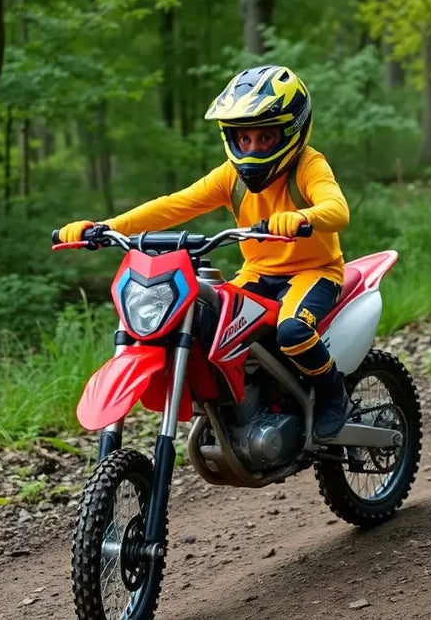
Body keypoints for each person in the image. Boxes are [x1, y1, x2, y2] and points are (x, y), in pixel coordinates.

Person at [57, 65, 351, 440]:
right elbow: (173, 205)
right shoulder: (231, 176)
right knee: (212, 327)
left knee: (292, 331)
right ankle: (248, 408)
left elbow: (337, 209)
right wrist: (107, 227)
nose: (253, 148)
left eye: (265, 137)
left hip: (314, 273)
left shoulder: (308, 165)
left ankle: (333, 394)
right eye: (244, 138)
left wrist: (303, 216)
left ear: (292, 130)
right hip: (257, 273)